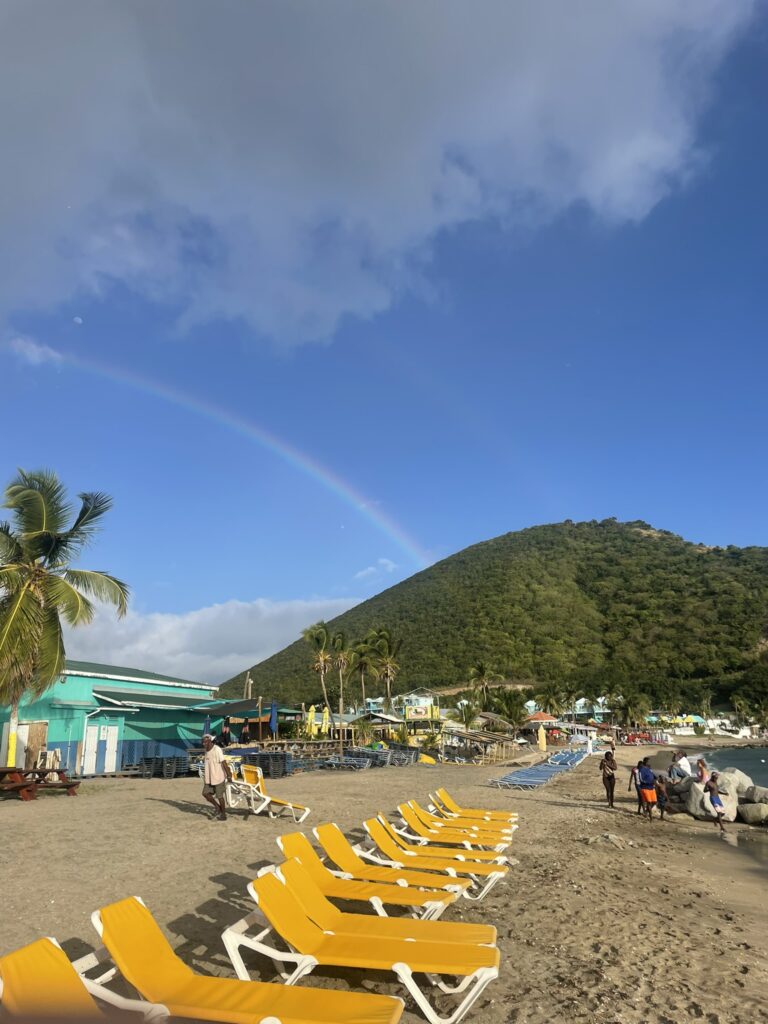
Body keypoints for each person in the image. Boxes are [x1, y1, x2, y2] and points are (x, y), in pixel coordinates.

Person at [201, 733, 232, 821]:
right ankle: (217, 807)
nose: (204, 744)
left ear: (210, 741)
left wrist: (229, 775)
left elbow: (224, 762)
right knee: (205, 793)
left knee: (219, 796)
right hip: (209, 778)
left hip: (218, 777)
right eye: (203, 742)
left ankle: (224, 814)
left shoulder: (217, 749)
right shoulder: (206, 751)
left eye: (205, 742)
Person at [638, 757, 657, 822]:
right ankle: (651, 818)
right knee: (649, 802)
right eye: (648, 761)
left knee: (654, 802)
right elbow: (641, 779)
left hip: (651, 788)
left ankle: (646, 811)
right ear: (645, 762)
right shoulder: (641, 769)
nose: (649, 763)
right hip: (645, 788)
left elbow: (653, 776)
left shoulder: (649, 769)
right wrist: (649, 782)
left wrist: (656, 778)